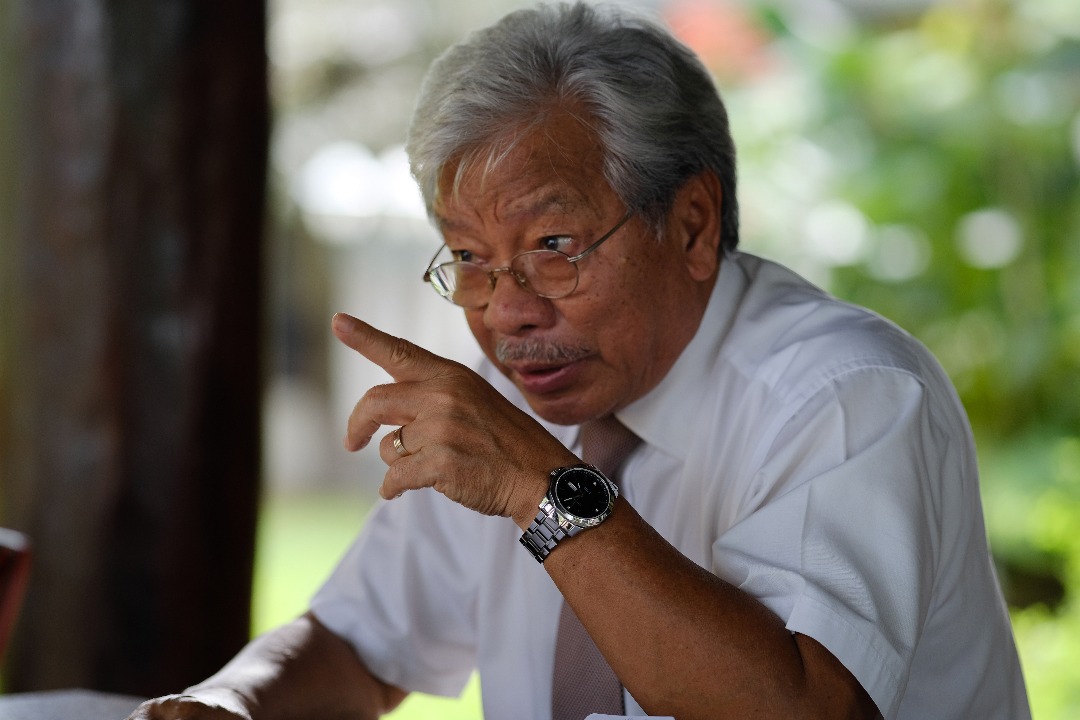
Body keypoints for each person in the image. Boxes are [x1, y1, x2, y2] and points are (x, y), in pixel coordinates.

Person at [130, 2, 1030, 719]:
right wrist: (227, 703)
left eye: (553, 245)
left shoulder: (845, 394)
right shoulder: (508, 403)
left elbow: (807, 708)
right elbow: (356, 645)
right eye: (469, 258)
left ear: (692, 226)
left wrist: (542, 487)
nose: (506, 311)